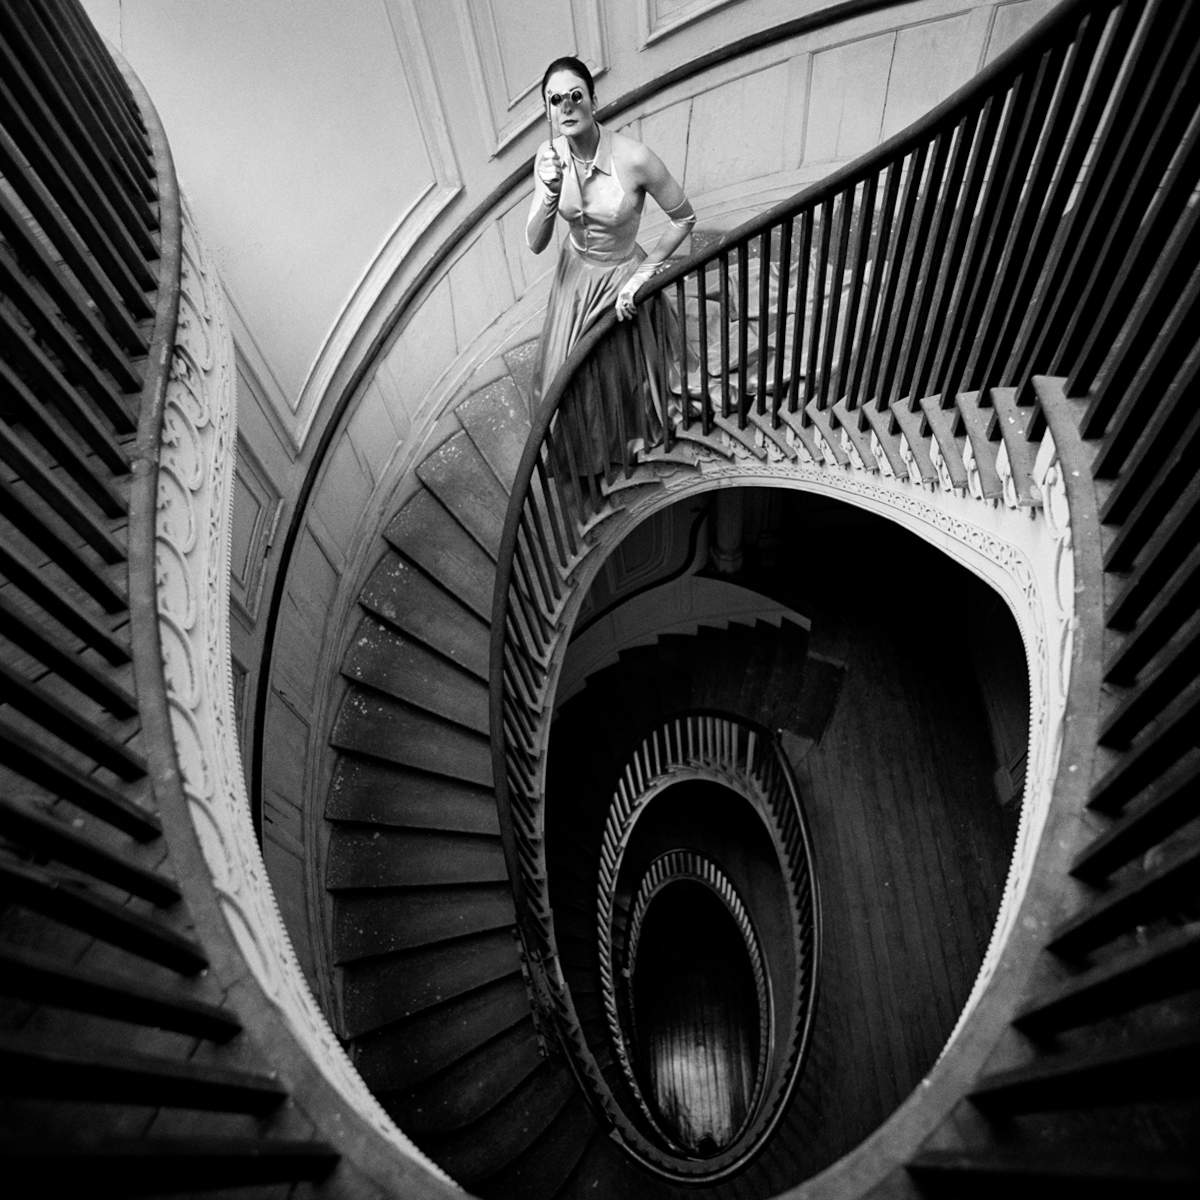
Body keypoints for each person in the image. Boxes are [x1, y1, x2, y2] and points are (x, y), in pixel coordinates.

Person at [526, 56, 696, 446]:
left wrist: (643, 274)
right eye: (555, 100)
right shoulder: (548, 156)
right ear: (549, 112)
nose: (566, 107)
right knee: (565, 380)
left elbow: (684, 218)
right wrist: (549, 193)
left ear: (593, 100)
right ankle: (585, 449)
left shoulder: (635, 158)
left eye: (575, 95)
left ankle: (623, 439)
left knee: (621, 374)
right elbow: (535, 243)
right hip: (573, 277)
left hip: (621, 276)